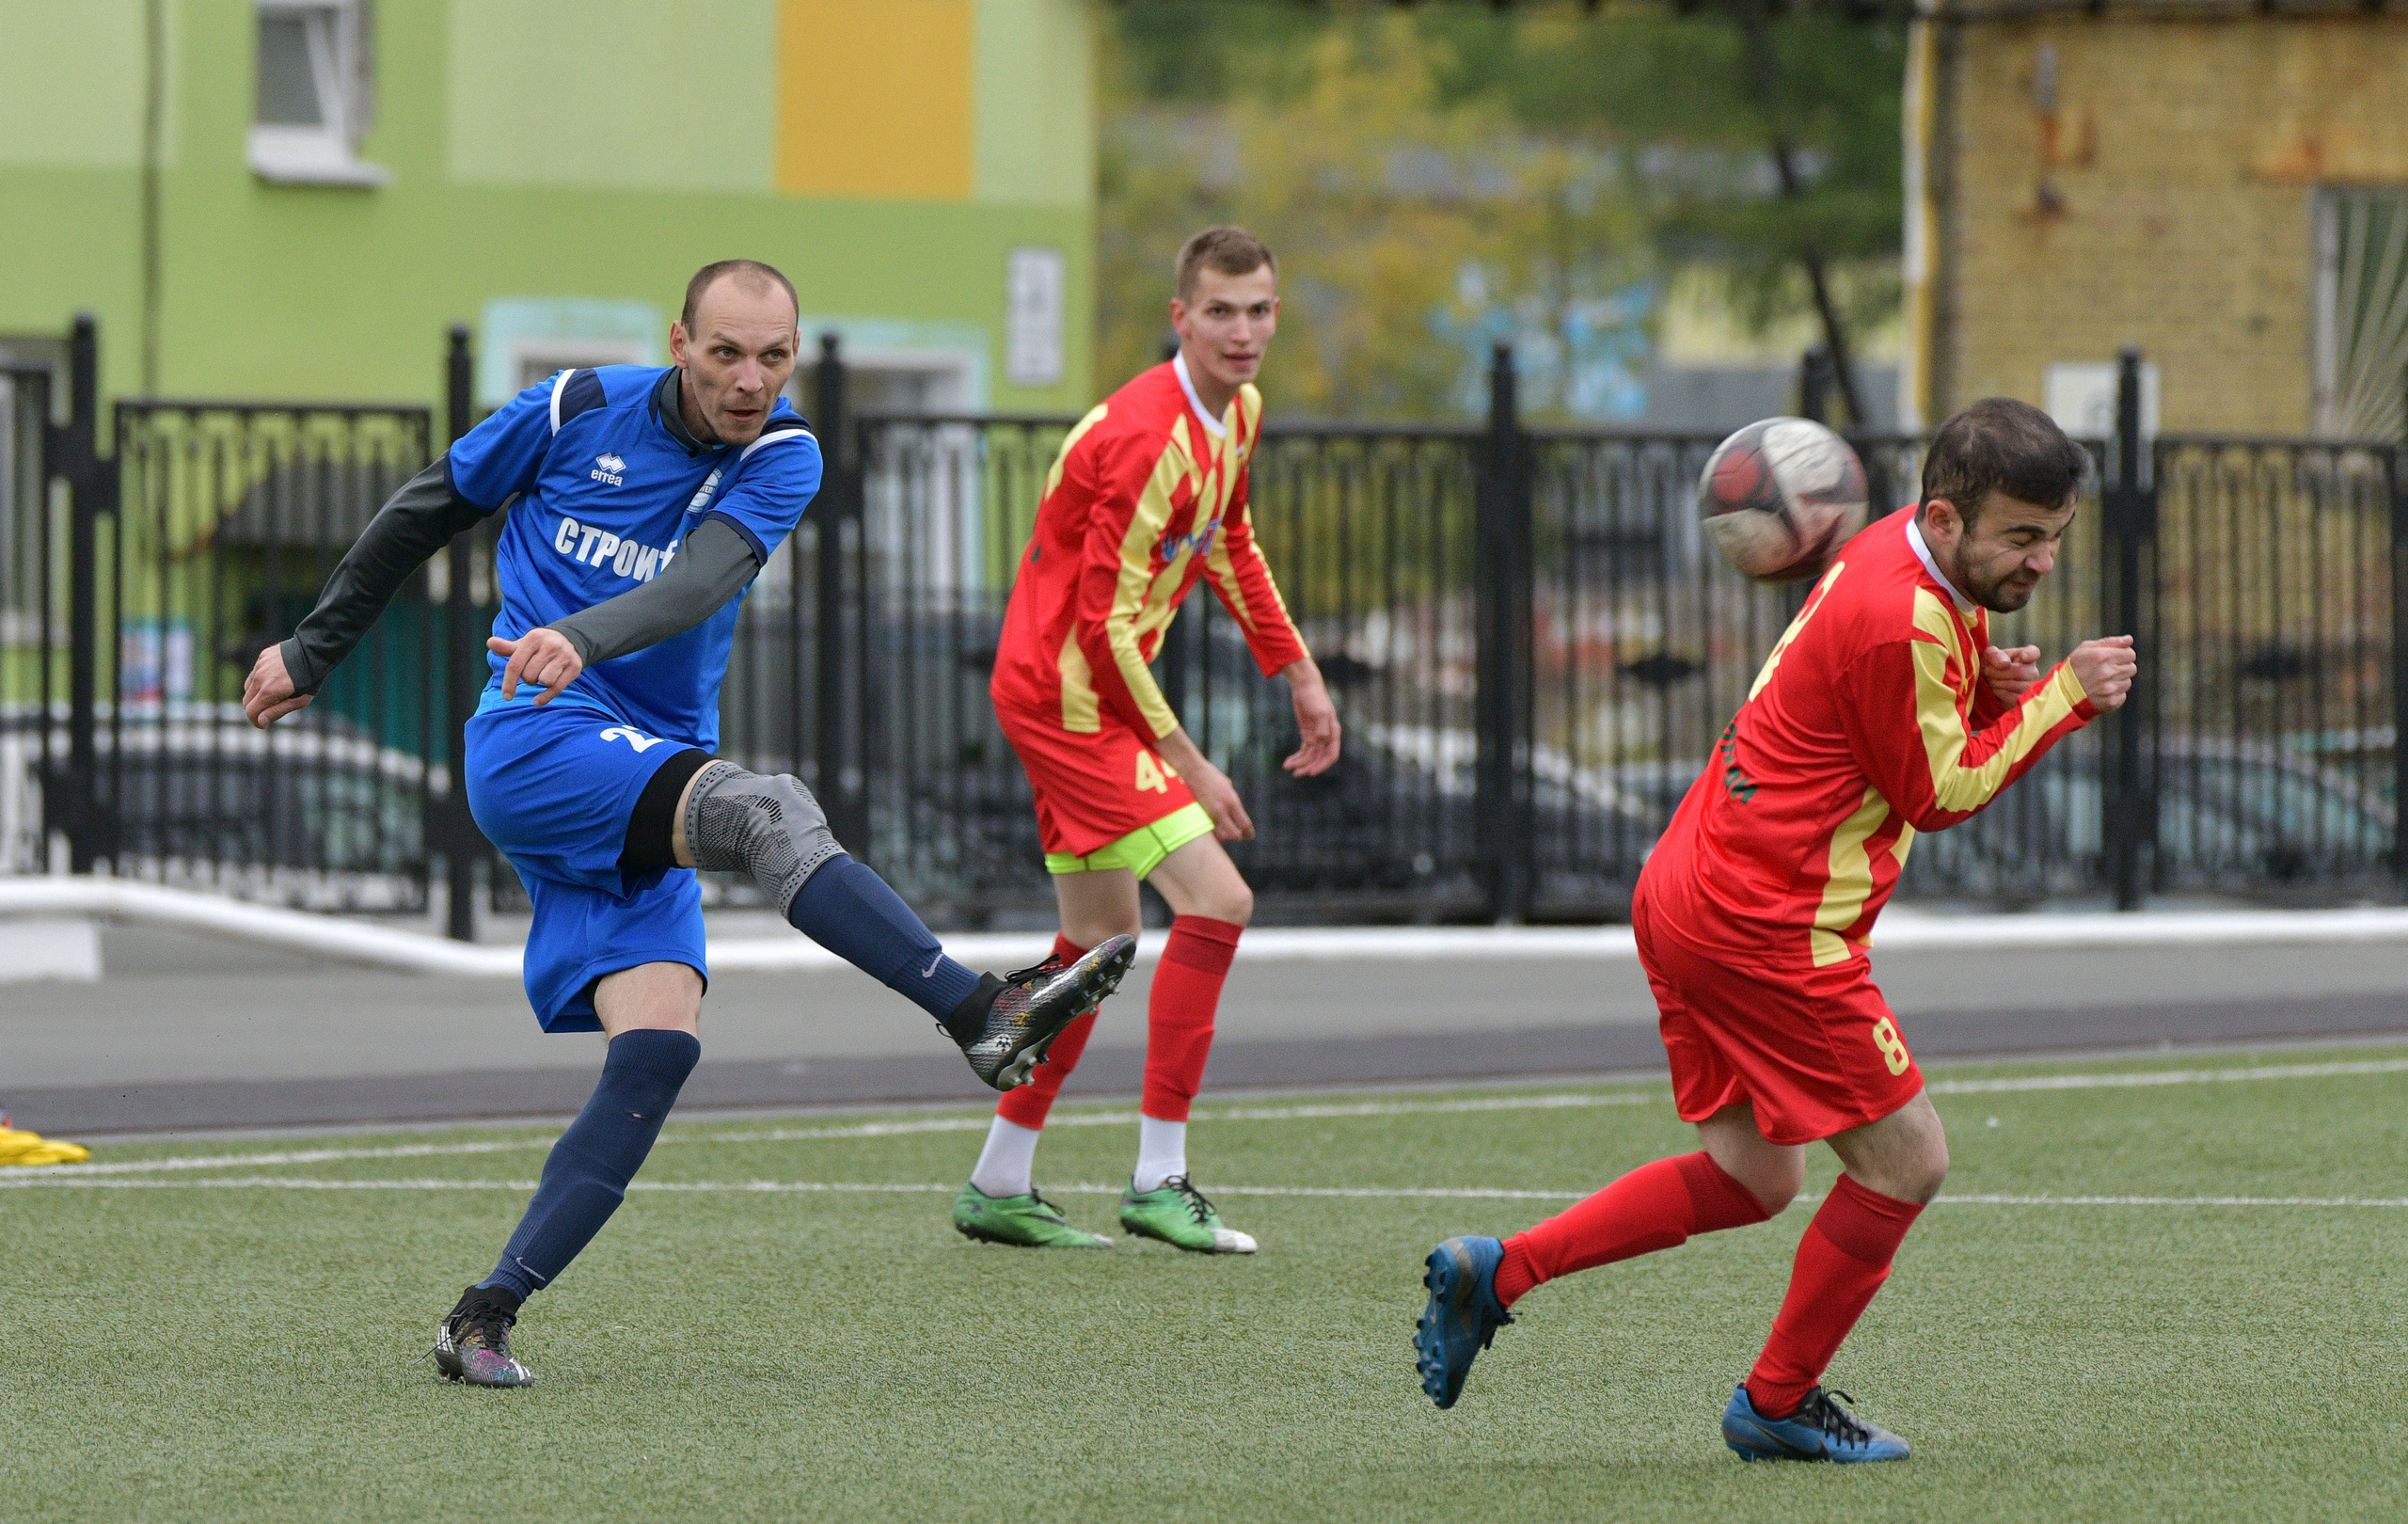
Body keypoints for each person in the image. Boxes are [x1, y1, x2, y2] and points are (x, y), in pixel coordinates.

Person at [241, 260, 1133, 1387]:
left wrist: (586, 634)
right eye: (726, 354)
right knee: (767, 810)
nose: (750, 380)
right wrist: (314, 647)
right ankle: (977, 1010)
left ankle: (484, 1314)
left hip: (649, 779)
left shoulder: (784, 454)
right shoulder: (573, 408)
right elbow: (427, 507)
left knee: (658, 1051)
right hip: (536, 741)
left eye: (774, 357)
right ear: (679, 344)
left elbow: (702, 581)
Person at [1413, 398, 2139, 1461]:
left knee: (1755, 1178)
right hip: (1768, 925)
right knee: (1906, 1161)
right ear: (1944, 518)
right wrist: (2064, 696)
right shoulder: (1902, 614)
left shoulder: (1900, 554)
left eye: (2055, 536)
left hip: (1691, 887)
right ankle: (1776, 1402)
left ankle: (1501, 1271)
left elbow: (1888, 724)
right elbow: (1938, 792)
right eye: (2021, 536)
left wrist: (1985, 692)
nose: (2041, 560)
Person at [952, 226, 1341, 1254]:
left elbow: (1231, 543)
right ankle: (1159, 1177)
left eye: (1258, 310)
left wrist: (1297, 670)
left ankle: (998, 1180)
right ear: (1181, 318)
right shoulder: (1143, 438)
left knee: (1096, 947)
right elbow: (1104, 629)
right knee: (1219, 898)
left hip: (1075, 690)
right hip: (1067, 696)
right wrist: (1189, 763)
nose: (1243, 331)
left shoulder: (1239, 412)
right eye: (1220, 311)